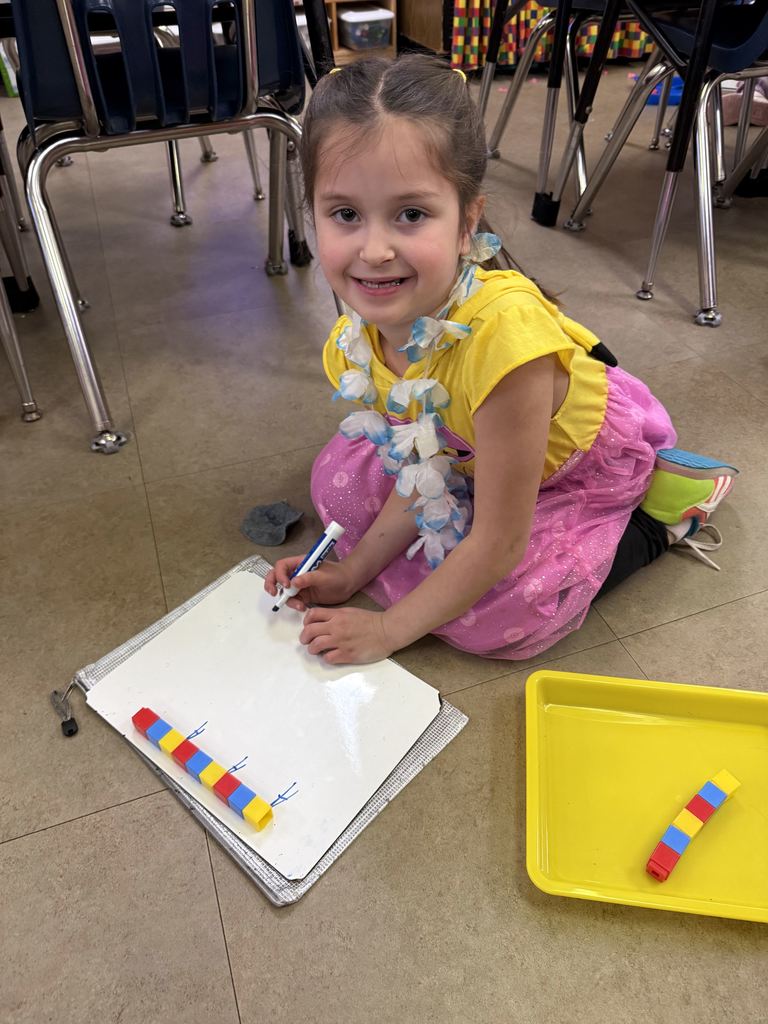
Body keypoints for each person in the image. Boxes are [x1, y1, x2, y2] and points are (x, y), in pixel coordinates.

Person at [264, 54, 738, 666]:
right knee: (337, 482)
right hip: (471, 450)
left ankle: (662, 514)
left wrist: (387, 632)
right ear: (314, 217)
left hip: (573, 460)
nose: (374, 250)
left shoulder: (506, 348)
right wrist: (352, 573)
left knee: (500, 616)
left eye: (411, 214)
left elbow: (500, 540)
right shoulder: (354, 338)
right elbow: (420, 457)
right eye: (345, 214)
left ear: (468, 222)